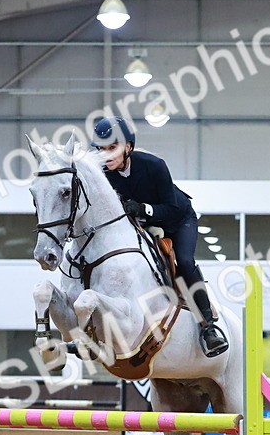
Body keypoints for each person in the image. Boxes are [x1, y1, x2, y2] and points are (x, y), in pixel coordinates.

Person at [90, 116, 229, 358]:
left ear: (128, 147)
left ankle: (208, 326)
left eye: (112, 148)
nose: (106, 155)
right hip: (144, 225)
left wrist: (144, 209)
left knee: (184, 261)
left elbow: (172, 208)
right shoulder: (103, 175)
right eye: (101, 150)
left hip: (178, 219)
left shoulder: (154, 166)